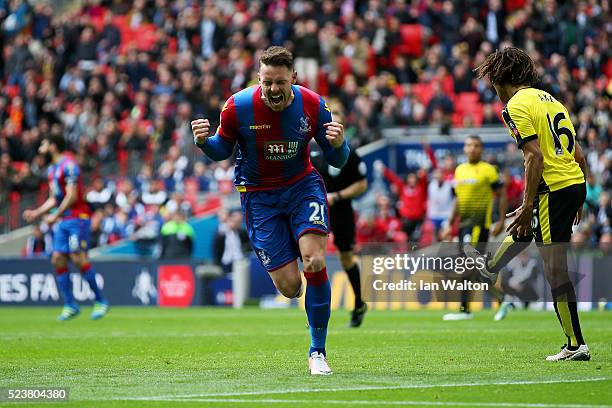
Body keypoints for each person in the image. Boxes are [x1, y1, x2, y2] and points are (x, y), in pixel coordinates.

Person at [191, 46, 349, 375]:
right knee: (291, 287)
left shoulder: (313, 105)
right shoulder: (238, 107)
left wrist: (339, 144)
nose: (273, 90)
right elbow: (222, 150)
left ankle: (317, 351)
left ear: (293, 77)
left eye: (280, 82)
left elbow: (337, 161)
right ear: (258, 78)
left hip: (301, 186)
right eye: (267, 83)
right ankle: (291, 242)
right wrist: (205, 142)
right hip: (259, 197)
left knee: (315, 260)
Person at [472, 47, 590, 361]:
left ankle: (575, 344)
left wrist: (526, 205)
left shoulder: (514, 106)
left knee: (554, 269)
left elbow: (534, 156)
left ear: (499, 79)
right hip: (573, 184)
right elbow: (579, 155)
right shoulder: (551, 100)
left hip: (554, 187)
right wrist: (579, 196)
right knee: (530, 230)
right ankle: (489, 268)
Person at [22, 134, 109, 321]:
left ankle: (100, 301)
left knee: (78, 257)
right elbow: (55, 197)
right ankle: (70, 304)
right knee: (57, 258)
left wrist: (56, 214)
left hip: (77, 218)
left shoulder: (69, 164)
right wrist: (36, 212)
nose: (40, 148)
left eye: (43, 143)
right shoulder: (52, 169)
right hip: (63, 220)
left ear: (53, 146)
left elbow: (72, 196)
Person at [311, 102, 368, 328]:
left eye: (338, 116)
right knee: (314, 256)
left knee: (346, 258)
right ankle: (316, 312)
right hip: (316, 208)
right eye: (330, 116)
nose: (333, 120)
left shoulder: (350, 153)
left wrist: (337, 196)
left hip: (341, 209)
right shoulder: (312, 150)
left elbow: (362, 184)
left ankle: (359, 303)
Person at [441, 135, 507, 320]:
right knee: (474, 270)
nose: (472, 149)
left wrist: (501, 220)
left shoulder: (488, 170)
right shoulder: (460, 170)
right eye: (469, 145)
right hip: (464, 226)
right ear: (464, 148)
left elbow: (502, 195)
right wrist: (449, 223)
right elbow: (458, 199)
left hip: (479, 226)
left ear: (482, 149)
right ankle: (502, 299)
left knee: (467, 267)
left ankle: (466, 310)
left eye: (476, 146)